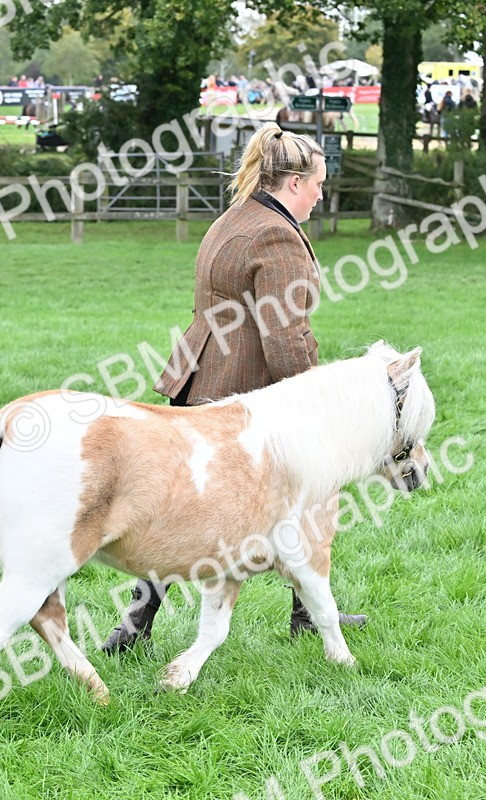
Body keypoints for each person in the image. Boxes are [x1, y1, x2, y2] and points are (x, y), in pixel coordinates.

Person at [100, 123, 368, 655]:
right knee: (306, 495)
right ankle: (310, 617)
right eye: (317, 182)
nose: (321, 192)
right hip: (240, 393)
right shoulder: (275, 234)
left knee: (175, 505)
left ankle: (132, 626)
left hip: (199, 375)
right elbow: (287, 334)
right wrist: (316, 402)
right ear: (293, 182)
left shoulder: (236, 216)